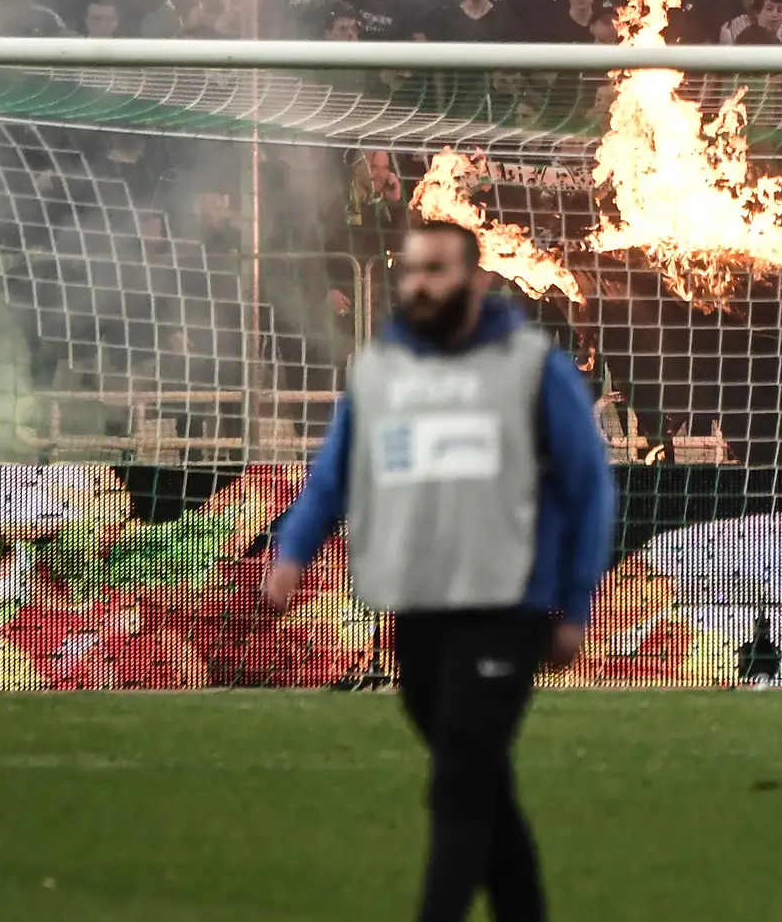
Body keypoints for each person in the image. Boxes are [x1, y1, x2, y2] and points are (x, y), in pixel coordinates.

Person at [263, 219, 618, 922]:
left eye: (437, 271)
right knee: (480, 777)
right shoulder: (382, 373)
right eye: (412, 272)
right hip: (419, 607)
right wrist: (292, 553)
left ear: (477, 280)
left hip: (506, 607)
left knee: (458, 778)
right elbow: (333, 475)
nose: (420, 284)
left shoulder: (532, 369)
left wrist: (575, 604)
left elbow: (590, 487)